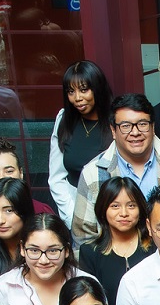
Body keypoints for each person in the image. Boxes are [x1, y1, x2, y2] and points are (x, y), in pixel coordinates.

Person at [71, 93, 160, 244]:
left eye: (142, 124)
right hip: (116, 263)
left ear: (153, 127)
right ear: (113, 130)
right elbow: (83, 237)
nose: (135, 132)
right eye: (125, 126)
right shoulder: (94, 172)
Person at [48, 60, 116, 224]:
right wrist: (73, 217)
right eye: (71, 91)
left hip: (113, 210)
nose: (77, 98)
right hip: (75, 208)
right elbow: (56, 178)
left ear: (97, 89)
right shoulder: (64, 120)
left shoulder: (117, 120)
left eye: (84, 90)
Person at [75, 177, 154, 305]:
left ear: (140, 209)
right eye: (115, 206)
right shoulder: (90, 252)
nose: (124, 213)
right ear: (103, 209)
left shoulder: (155, 247)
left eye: (131, 205)